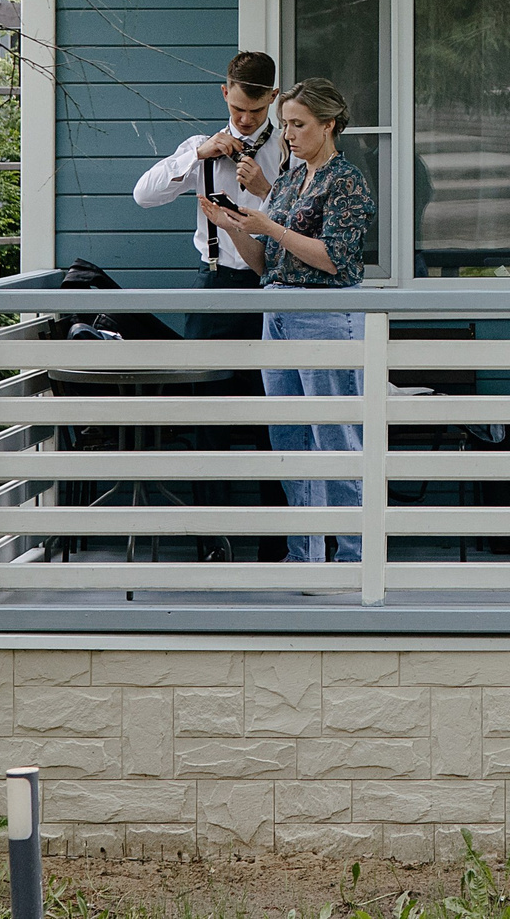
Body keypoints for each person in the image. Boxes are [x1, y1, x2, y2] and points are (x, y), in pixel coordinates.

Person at [199, 77, 375, 565]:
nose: (289, 135)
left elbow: (336, 258)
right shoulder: (293, 180)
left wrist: (270, 224)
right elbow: (266, 262)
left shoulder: (347, 181)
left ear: (329, 124)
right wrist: (232, 227)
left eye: (298, 125)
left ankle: (355, 560)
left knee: (335, 441)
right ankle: (306, 557)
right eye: (285, 125)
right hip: (276, 313)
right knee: (290, 440)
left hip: (325, 316)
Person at [132, 51, 293, 339]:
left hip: (273, 284)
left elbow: (303, 222)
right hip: (213, 281)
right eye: (237, 108)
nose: (244, 119)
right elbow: (143, 196)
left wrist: (266, 191)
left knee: (267, 382)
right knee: (205, 380)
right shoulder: (200, 148)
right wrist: (196, 155)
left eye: (255, 111)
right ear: (224, 92)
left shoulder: (290, 150)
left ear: (273, 97)